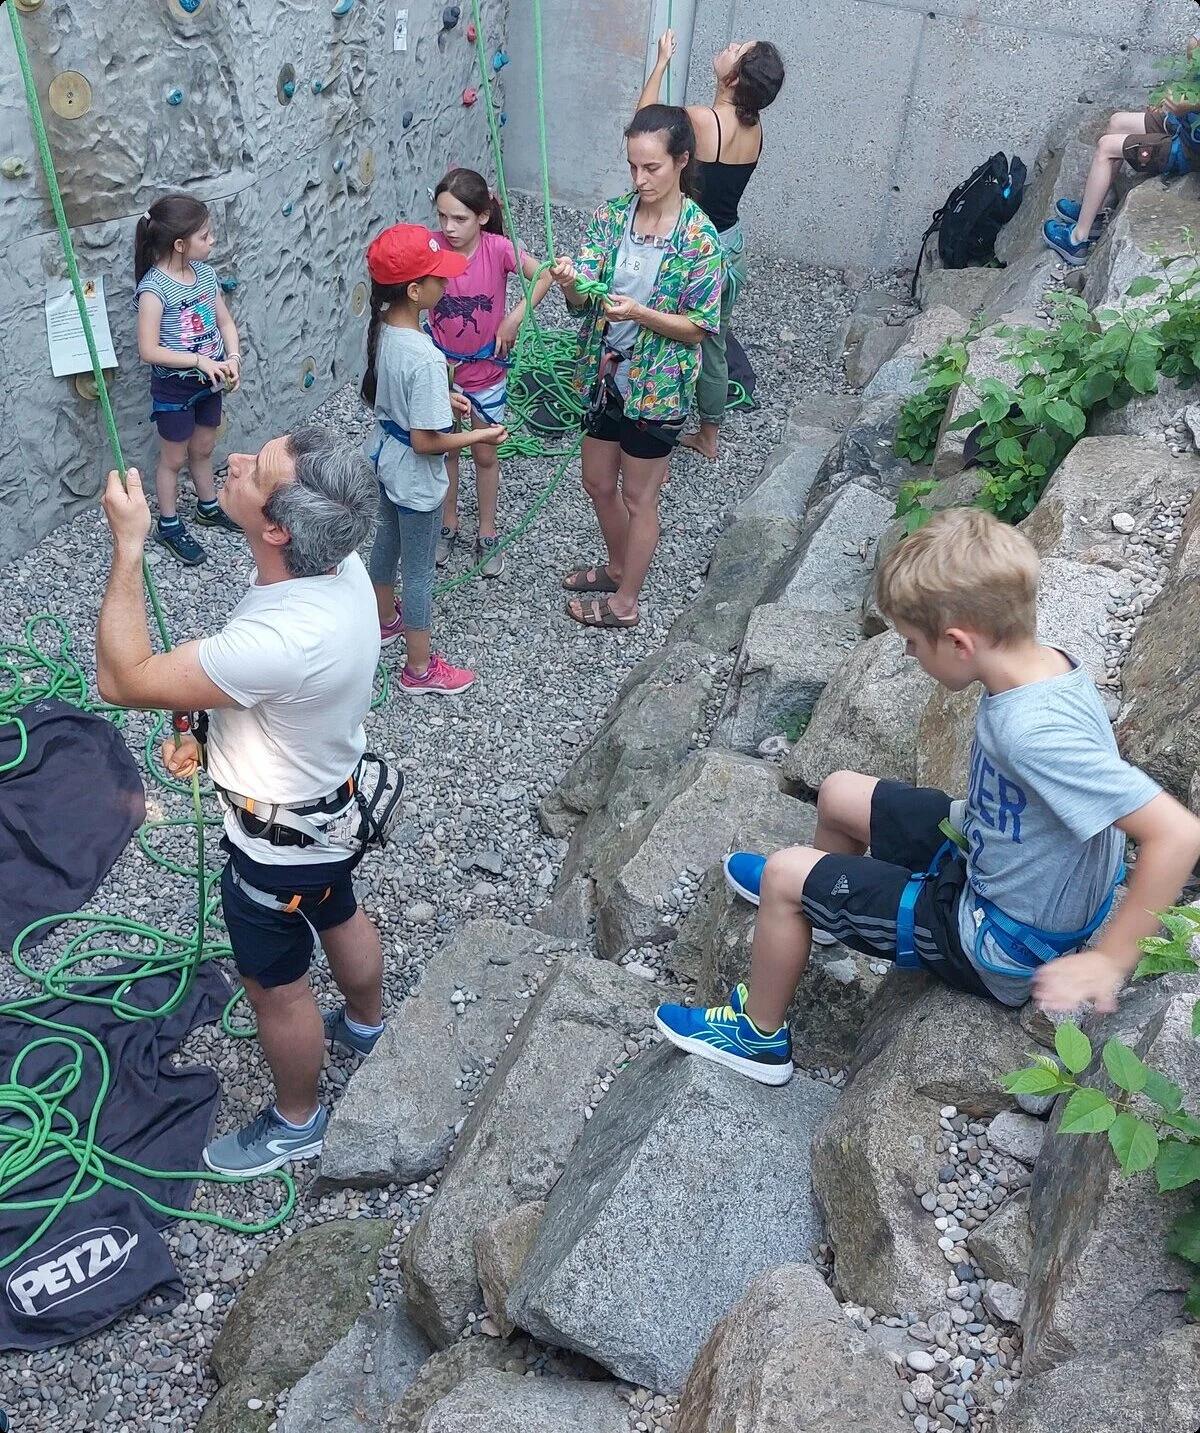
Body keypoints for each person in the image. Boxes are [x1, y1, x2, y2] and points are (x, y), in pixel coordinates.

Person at [655, 508, 1200, 1085]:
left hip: (998, 936)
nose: (909, 655)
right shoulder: (1051, 665)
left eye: (912, 643)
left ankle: (760, 1035)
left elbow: (1177, 833)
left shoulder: (1033, 732)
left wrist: (1109, 961)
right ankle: (821, 911)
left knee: (784, 875)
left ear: (959, 643)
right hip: (1004, 849)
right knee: (838, 792)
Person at [94, 427, 390, 1174]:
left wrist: (129, 546)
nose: (234, 460)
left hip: (275, 846)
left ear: (279, 529)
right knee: (338, 906)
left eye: (255, 470)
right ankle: (366, 1025)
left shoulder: (279, 642)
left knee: (277, 991)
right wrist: (199, 724)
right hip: (334, 808)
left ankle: (297, 1120)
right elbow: (255, 687)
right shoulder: (339, 563)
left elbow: (122, 679)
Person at [550, 104, 722, 629]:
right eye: (632, 166)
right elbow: (582, 301)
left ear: (682, 161)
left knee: (639, 496)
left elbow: (700, 326)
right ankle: (618, 566)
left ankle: (626, 603)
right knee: (597, 482)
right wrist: (570, 284)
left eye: (651, 167)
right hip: (605, 374)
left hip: (659, 386)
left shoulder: (699, 238)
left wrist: (641, 314)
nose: (639, 179)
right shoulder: (612, 217)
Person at [361, 224, 507, 694]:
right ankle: (419, 669)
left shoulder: (386, 327)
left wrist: (443, 397)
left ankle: (384, 620)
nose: (447, 284)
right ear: (414, 290)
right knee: (420, 571)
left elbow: (401, 398)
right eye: (438, 277)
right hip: (414, 475)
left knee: (386, 542)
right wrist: (480, 434)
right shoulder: (425, 356)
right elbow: (427, 443)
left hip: (385, 458)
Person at [637, 31, 785, 460]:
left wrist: (661, 62)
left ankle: (652, 423)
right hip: (731, 243)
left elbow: (644, 123)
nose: (729, 47)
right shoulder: (754, 127)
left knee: (661, 330)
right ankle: (709, 433)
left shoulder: (703, 120)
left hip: (694, 244)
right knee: (712, 340)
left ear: (734, 78)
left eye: (737, 51)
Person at [429, 168, 553, 577]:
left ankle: (487, 530)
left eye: (459, 218)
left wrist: (514, 319)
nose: (449, 227)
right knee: (446, 450)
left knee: (485, 453)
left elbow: (545, 273)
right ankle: (448, 522)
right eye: (442, 216)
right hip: (443, 374)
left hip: (486, 375)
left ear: (483, 216)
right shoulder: (432, 248)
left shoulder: (498, 249)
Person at [134, 194, 242, 565]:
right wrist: (198, 360)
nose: (212, 241)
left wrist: (233, 358)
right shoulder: (154, 290)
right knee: (173, 458)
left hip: (210, 381)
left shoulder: (206, 276)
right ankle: (168, 524)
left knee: (204, 447)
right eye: (205, 236)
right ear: (180, 244)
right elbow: (148, 350)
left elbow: (225, 322)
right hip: (175, 388)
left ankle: (207, 506)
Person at [1043, 22, 1200, 267]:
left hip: (1191, 149)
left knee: (1106, 148)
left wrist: (1190, 106)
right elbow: (1191, 83)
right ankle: (1092, 213)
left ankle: (1077, 239)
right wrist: (1169, 100)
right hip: (1183, 124)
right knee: (1117, 122)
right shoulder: (1196, 46)